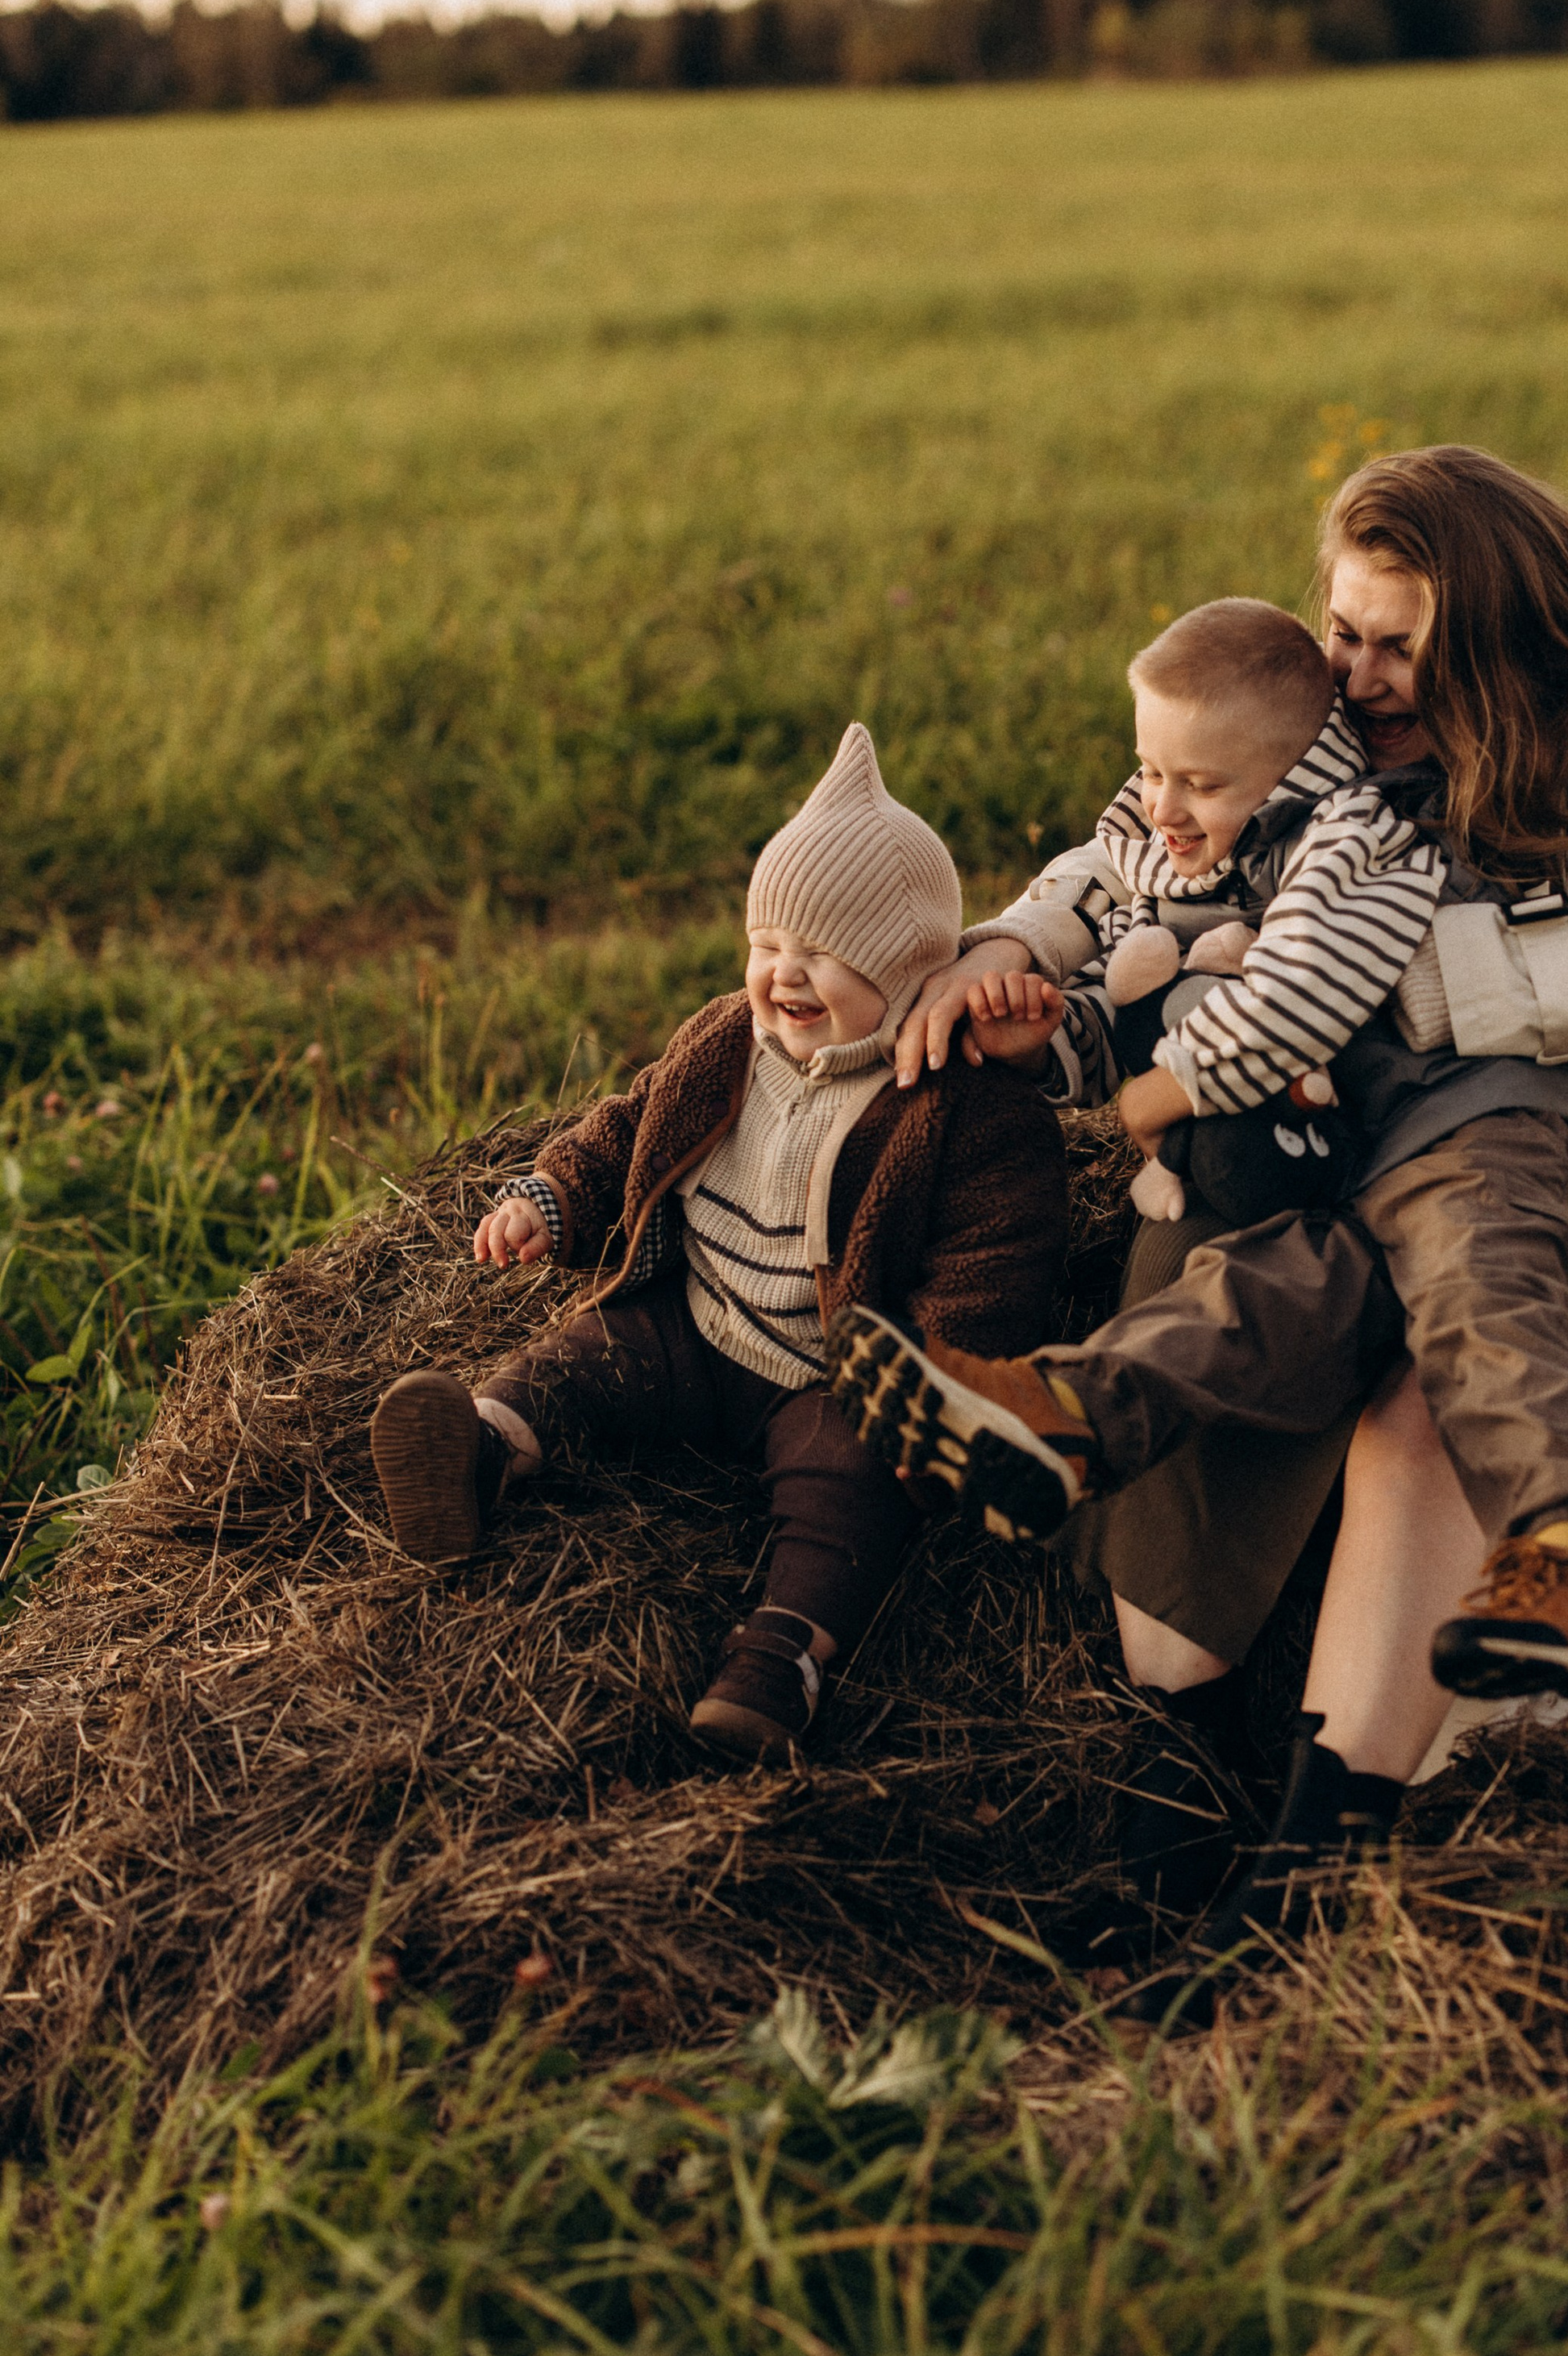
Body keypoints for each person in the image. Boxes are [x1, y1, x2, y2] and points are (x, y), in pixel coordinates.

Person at [868, 445, 1568, 1991]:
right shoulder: (1342, 716)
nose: (1357, 671)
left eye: (1398, 643)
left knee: (1428, 1399)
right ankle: (1168, 1796)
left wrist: (1340, 976)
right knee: (1201, 1277)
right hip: (1324, 1148)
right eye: (1342, 631)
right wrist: (1017, 944)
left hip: (1551, 1183)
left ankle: (1315, 1860)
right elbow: (1163, 816)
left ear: (1498, 631)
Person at [368, 723, 1069, 1761]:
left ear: (907, 968)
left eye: (823, 956)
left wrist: (927, 1385)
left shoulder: (962, 1107)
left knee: (848, 1498)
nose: (785, 975)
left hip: (826, 1378)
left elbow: (994, 1261)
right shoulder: (724, 1040)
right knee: (575, 1361)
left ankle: (783, 1655)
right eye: (767, 947)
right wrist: (550, 1197)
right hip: (695, 1325)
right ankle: (479, 1450)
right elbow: (629, 1124)